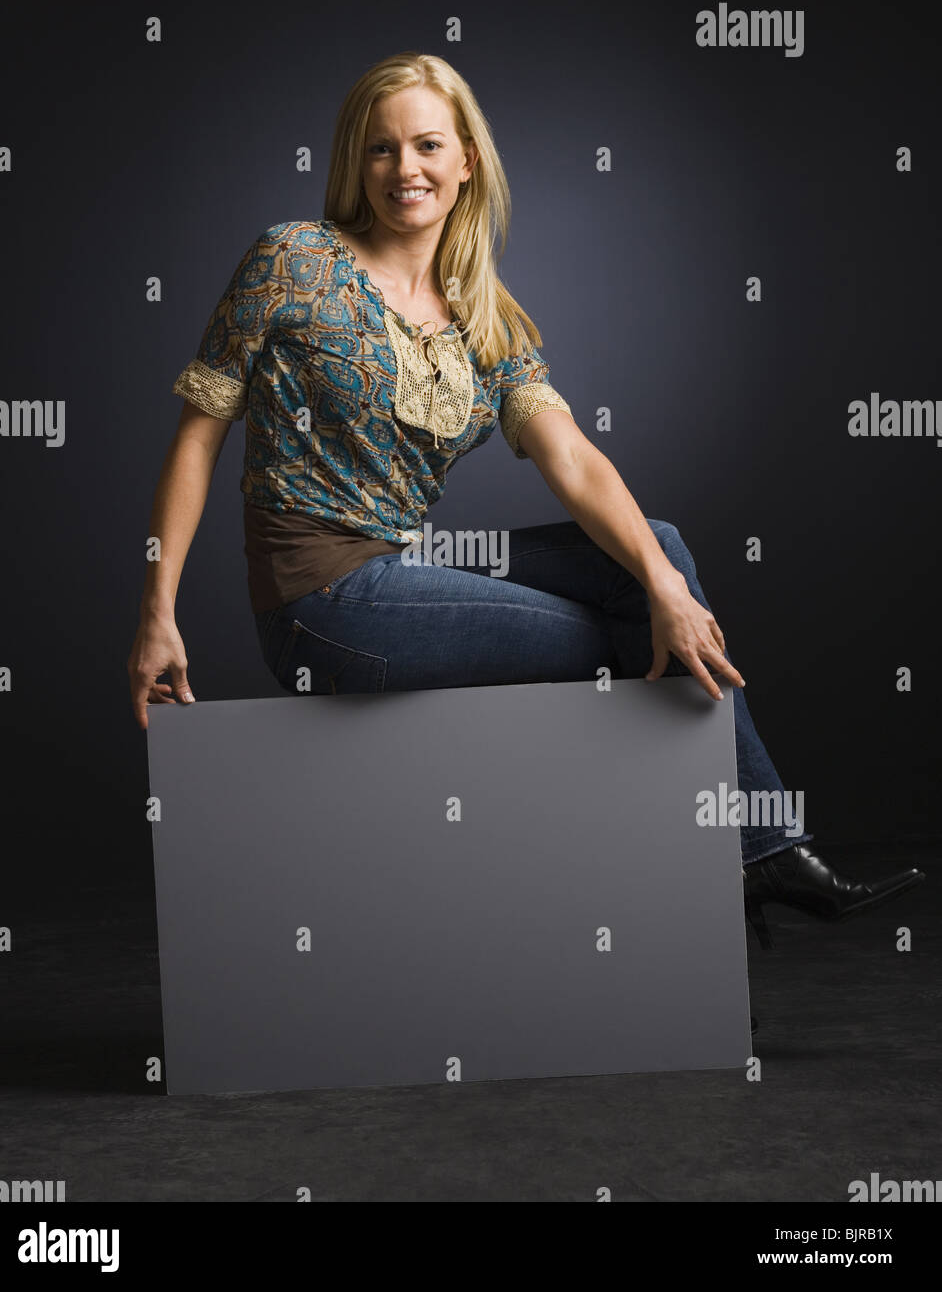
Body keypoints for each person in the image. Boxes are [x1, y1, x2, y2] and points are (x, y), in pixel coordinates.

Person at [127, 51, 924, 980]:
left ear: (467, 159)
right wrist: (158, 614)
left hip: (408, 568)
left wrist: (666, 585)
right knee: (634, 641)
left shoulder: (485, 315)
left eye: (427, 145)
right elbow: (198, 435)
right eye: (380, 150)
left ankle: (750, 859)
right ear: (355, 162)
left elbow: (572, 457)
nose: (404, 169)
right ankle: (741, 869)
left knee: (655, 560)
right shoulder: (293, 259)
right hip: (325, 606)